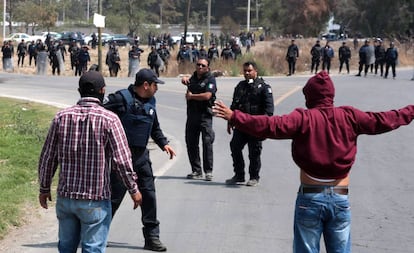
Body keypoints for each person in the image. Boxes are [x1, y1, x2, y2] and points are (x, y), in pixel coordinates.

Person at [212, 70, 414, 253]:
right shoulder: (349, 116)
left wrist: (235, 116)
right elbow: (385, 119)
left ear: (310, 96)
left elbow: (268, 125)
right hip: (340, 199)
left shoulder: (303, 118)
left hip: (309, 199)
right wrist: (411, 110)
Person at [38, 71, 142, 253]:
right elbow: (122, 161)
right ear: (103, 91)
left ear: (79, 90)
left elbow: (48, 156)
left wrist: (44, 188)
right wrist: (133, 189)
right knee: (93, 249)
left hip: (66, 198)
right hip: (95, 200)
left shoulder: (61, 117)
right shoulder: (110, 119)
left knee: (66, 248)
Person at [104, 68, 176, 252]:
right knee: (113, 199)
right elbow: (100, 116)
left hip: (141, 157)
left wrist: (163, 143)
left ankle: (152, 237)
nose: (156, 89)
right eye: (155, 85)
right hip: (121, 158)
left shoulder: (151, 101)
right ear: (145, 85)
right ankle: (97, 234)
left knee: (149, 196)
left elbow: (155, 127)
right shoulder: (120, 100)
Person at [225, 61, 274, 187]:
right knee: (235, 147)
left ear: (255, 71)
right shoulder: (240, 86)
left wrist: (263, 126)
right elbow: (234, 105)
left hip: (255, 126)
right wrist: (230, 121)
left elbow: (269, 111)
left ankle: (254, 177)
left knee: (254, 152)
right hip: (241, 125)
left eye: (249, 71)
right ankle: (239, 175)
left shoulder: (264, 88)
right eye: (245, 71)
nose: (247, 73)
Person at [181, 57, 217, 181]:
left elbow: (208, 95)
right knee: (191, 143)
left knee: (207, 143)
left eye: (203, 65)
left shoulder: (210, 79)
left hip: (204, 116)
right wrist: (185, 80)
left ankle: (208, 171)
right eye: (198, 65)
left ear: (207, 67)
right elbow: (187, 82)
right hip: (192, 115)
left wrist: (192, 97)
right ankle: (196, 170)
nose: (200, 67)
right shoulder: (193, 78)